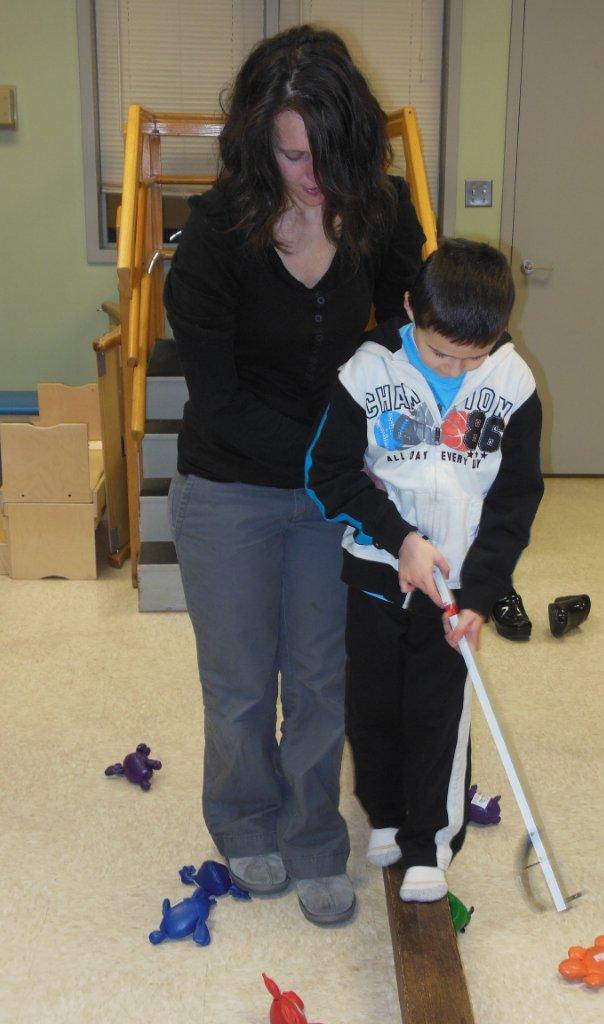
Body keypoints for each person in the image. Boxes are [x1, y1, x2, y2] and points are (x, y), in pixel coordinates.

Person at [164, 25, 425, 926]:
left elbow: (406, 348)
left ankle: (315, 836)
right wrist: (338, 460)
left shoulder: (385, 217)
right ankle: (243, 820)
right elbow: (220, 398)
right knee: (238, 682)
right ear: (256, 143)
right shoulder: (213, 234)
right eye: (288, 154)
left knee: (321, 677)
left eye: (324, 153)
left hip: (334, 497)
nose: (308, 174)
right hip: (230, 488)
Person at [305, 239, 544, 902]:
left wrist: (481, 594)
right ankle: (384, 814)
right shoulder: (368, 369)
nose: (457, 367)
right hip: (378, 573)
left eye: (473, 357)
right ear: (411, 307)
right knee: (373, 706)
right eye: (441, 353)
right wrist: (399, 538)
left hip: (456, 591)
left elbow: (514, 498)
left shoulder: (511, 383)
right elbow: (325, 475)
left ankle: (428, 845)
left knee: (440, 713)